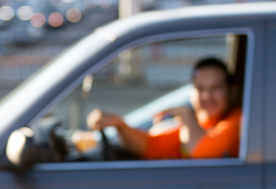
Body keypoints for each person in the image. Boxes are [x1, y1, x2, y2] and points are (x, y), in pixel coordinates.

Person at [87, 57, 241, 159]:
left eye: (216, 88)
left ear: (232, 91)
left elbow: (205, 155)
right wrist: (119, 124)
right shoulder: (202, 124)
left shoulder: (237, 122)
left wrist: (185, 114)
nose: (207, 95)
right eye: (200, 88)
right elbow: (152, 147)